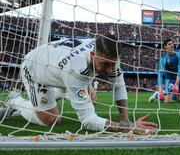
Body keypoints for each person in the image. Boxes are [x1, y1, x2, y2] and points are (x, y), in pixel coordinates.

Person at [0, 35, 157, 134]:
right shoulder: (76, 69)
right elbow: (87, 120)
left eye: (112, 65)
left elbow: (119, 85)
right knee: (51, 120)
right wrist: (127, 128)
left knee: (92, 100)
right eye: (105, 65)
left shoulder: (108, 55)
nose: (109, 70)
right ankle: (14, 100)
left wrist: (125, 118)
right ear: (92, 55)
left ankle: (63, 92)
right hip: (35, 69)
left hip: (57, 66)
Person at [149, 38, 180, 103]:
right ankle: (156, 95)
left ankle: (173, 94)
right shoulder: (163, 59)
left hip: (179, 77)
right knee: (167, 101)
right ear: (165, 46)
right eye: (169, 44)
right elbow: (160, 75)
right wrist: (159, 89)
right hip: (170, 79)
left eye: (172, 43)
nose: (172, 45)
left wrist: (176, 84)